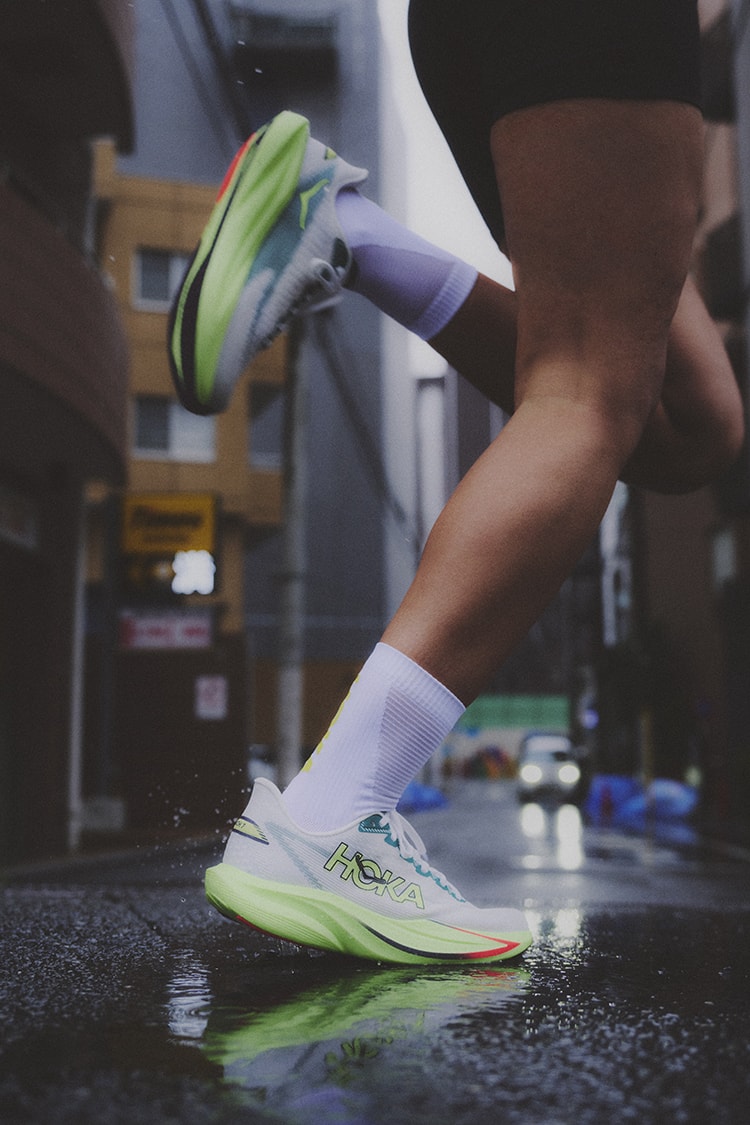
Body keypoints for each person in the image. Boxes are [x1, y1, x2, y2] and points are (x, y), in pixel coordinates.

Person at [168, 0, 744, 964]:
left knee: (693, 426)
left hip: (468, 30)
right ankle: (331, 818)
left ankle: (346, 231)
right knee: (587, 389)